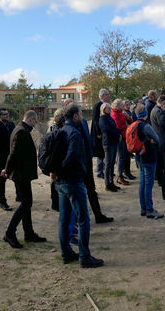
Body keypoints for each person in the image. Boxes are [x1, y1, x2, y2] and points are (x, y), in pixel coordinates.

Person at [55, 104, 105, 268]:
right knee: (83, 219)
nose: (82, 116)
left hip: (61, 182)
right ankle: (85, 256)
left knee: (63, 219)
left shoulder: (62, 130)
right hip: (73, 181)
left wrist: (57, 172)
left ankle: (66, 253)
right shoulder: (75, 133)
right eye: (81, 113)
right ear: (75, 116)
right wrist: (65, 170)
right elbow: (72, 157)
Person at [1, 110, 46, 248]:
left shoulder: (20, 129)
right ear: (31, 119)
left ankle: (29, 233)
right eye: (35, 121)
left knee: (27, 203)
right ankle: (10, 233)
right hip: (21, 174)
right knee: (26, 203)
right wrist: (6, 170)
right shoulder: (21, 131)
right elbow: (13, 154)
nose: (35, 124)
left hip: (23, 173)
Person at [131, 104, 165, 219]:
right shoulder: (145, 126)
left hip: (138, 155)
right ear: (145, 114)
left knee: (143, 182)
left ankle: (143, 208)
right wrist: (151, 140)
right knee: (148, 183)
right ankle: (150, 209)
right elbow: (157, 139)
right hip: (148, 156)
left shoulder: (134, 125)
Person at [0, 108, 15, 211]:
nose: (7, 116)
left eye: (8, 114)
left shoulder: (11, 125)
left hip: (12, 156)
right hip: (1, 157)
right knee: (1, 181)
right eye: (4, 115)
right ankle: (3, 202)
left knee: (16, 176)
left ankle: (19, 196)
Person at [99, 102, 121, 192]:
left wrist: (118, 133)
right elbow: (107, 129)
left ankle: (111, 182)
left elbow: (115, 128)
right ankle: (107, 184)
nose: (108, 109)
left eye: (109, 108)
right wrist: (117, 133)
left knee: (112, 163)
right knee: (108, 164)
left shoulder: (109, 118)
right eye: (107, 108)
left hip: (114, 142)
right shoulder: (102, 119)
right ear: (103, 109)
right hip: (108, 143)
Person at [111, 99, 134, 184]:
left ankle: (121, 175)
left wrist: (127, 117)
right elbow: (118, 127)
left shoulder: (121, 113)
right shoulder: (114, 114)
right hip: (120, 137)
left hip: (124, 136)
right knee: (120, 157)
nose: (123, 106)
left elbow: (130, 122)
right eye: (121, 105)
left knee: (123, 157)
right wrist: (125, 125)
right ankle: (119, 176)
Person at [92, 89, 111, 179]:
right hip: (99, 133)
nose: (109, 96)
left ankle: (105, 170)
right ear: (102, 95)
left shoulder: (106, 105)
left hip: (104, 133)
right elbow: (95, 120)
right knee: (100, 153)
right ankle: (100, 171)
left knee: (104, 152)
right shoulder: (98, 105)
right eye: (107, 94)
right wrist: (98, 133)